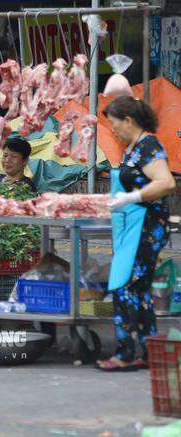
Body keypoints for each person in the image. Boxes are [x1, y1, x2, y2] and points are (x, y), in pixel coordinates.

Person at [95, 96, 176, 371]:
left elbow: (166, 182)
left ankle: (126, 353)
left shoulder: (148, 146)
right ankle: (148, 349)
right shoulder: (134, 147)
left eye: (115, 124)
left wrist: (133, 197)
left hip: (146, 226)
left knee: (125, 285)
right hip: (133, 225)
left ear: (129, 121)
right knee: (139, 288)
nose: (113, 130)